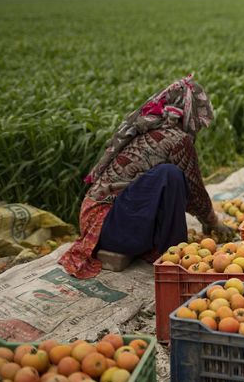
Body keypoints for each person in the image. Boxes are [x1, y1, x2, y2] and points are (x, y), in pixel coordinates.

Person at [59, 75, 228, 279]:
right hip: (108, 227)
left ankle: (166, 248)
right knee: (170, 175)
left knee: (167, 179)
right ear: (190, 112)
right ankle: (175, 257)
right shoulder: (177, 139)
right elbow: (195, 191)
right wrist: (213, 221)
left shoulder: (151, 128)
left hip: (99, 221)